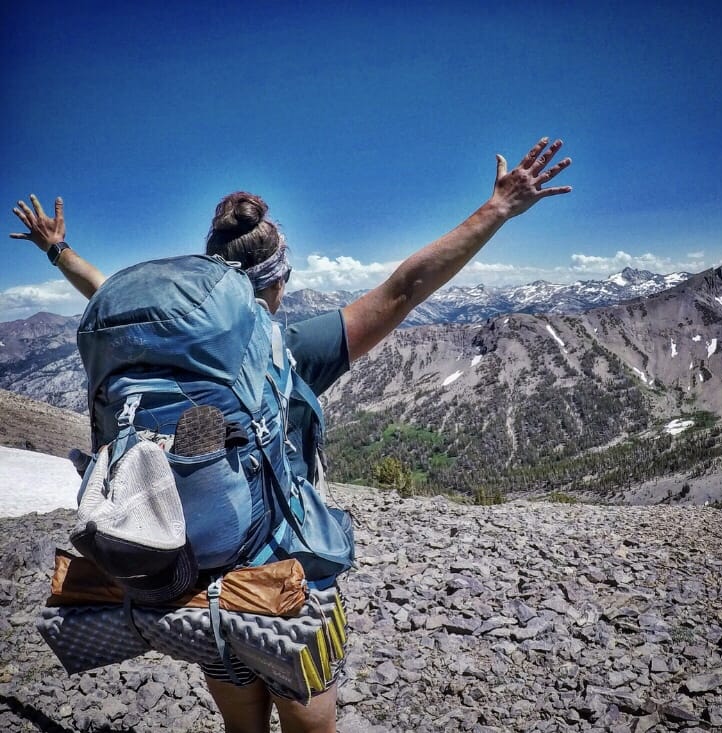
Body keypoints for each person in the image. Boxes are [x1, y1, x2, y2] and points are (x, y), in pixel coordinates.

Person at [10, 137, 571, 733]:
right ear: (273, 284)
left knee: (241, 727)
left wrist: (58, 251)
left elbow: (105, 291)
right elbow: (406, 287)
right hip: (286, 582)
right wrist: (498, 209)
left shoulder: (165, 344)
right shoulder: (294, 350)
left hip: (197, 579)